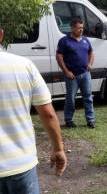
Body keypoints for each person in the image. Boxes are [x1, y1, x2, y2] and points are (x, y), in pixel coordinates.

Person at [0, 27, 67, 194]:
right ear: (1, 35)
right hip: (21, 165)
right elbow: (48, 113)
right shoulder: (24, 66)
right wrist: (58, 149)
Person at [56, 18, 96, 129]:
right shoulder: (64, 41)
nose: (81, 30)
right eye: (79, 28)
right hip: (72, 76)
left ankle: (90, 120)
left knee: (88, 97)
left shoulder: (85, 40)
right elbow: (59, 57)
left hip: (85, 74)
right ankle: (68, 120)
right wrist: (66, 71)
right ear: (72, 28)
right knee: (71, 98)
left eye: (82, 28)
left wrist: (90, 64)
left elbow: (91, 52)